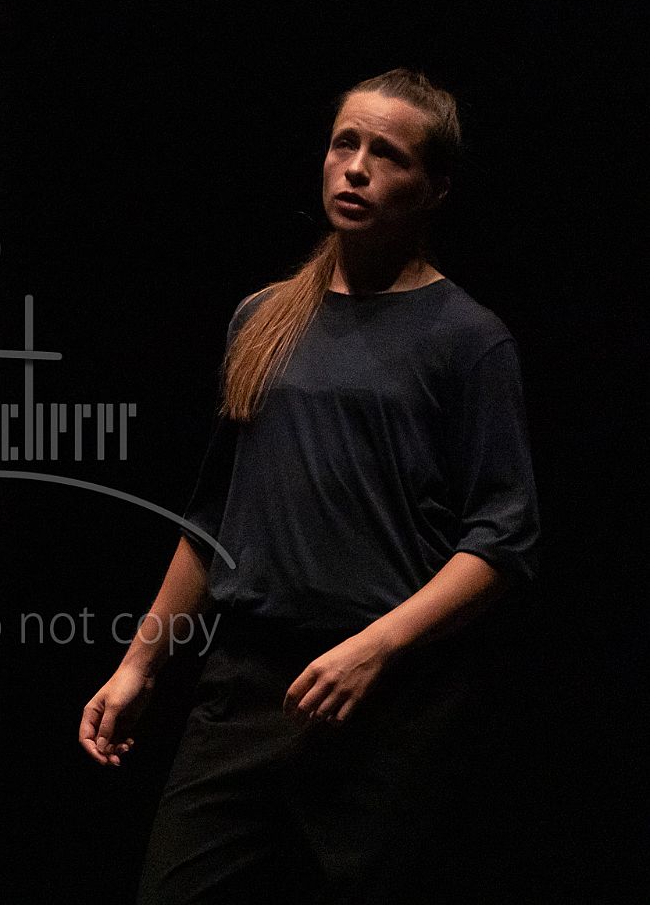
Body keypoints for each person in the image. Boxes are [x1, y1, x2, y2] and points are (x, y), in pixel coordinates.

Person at [78, 70, 540, 903]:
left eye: (388, 155)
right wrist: (140, 662)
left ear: (435, 187)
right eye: (344, 144)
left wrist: (377, 648)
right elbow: (214, 519)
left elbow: (502, 541)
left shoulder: (468, 340)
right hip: (247, 688)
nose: (356, 168)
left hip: (382, 700)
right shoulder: (263, 318)